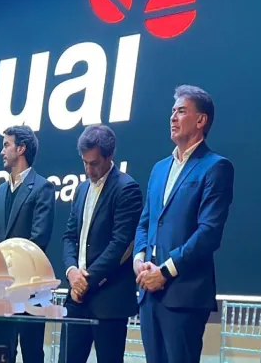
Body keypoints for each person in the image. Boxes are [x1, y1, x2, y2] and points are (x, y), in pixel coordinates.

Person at [134, 85, 235, 363]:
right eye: (172, 111)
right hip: (148, 294)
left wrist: (165, 271)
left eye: (181, 111)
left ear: (201, 120)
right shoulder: (159, 169)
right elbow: (145, 222)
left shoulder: (216, 167)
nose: (173, 117)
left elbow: (209, 233)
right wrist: (139, 259)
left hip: (184, 295)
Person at [60, 125, 143, 363]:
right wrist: (71, 272)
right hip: (76, 299)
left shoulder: (126, 188)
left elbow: (120, 244)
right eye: (84, 163)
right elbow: (69, 237)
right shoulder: (81, 189)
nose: (88, 170)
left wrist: (85, 281)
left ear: (109, 156)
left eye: (94, 163)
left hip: (109, 300)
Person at [0, 125, 55, 363]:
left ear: (21, 148)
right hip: (2, 291)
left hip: (30, 289)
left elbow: (38, 240)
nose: (2, 151)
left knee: (32, 354)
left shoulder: (42, 187)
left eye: (6, 145)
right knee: (0, 353)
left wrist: (12, 274)